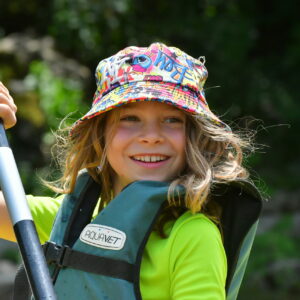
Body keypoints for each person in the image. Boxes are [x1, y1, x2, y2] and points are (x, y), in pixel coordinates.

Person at [0, 43, 261, 300]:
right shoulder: (78, 219)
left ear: (195, 138)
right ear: (100, 135)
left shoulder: (193, 235)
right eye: (129, 119)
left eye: (172, 120)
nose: (150, 137)